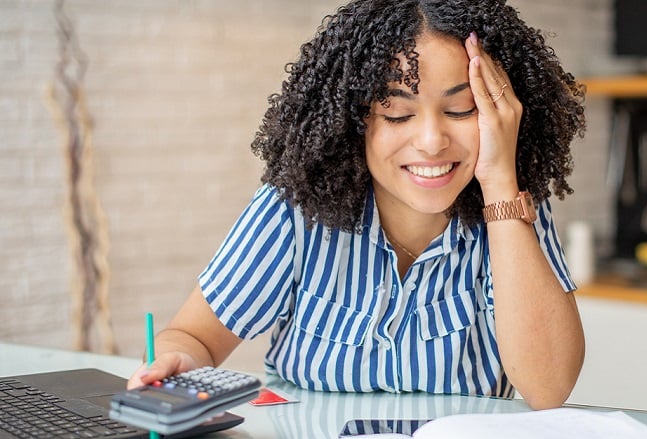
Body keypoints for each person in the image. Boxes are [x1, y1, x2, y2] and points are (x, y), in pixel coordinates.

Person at [129, 0, 586, 410]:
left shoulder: (510, 208)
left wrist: (501, 183)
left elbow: (548, 388)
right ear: (355, 121)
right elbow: (193, 337)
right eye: (397, 114)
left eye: (462, 110)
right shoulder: (296, 207)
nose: (430, 142)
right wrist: (177, 360)